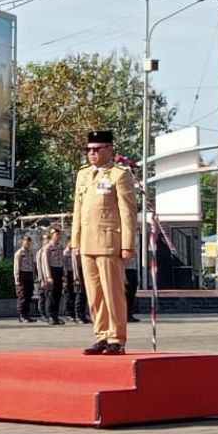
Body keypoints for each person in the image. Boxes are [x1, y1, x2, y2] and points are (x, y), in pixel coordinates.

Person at [72, 130, 137, 355]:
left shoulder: (119, 175)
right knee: (94, 293)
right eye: (89, 150)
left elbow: (127, 212)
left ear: (109, 149)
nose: (92, 153)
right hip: (87, 243)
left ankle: (116, 338)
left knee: (112, 292)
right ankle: (101, 335)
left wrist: (128, 244)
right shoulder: (83, 175)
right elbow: (78, 210)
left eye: (97, 149)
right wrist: (75, 241)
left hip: (109, 242)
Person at [40, 228, 66, 326]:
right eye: (56, 235)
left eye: (59, 235)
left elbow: (62, 261)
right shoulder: (47, 248)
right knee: (50, 295)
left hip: (59, 270)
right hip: (51, 271)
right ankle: (50, 315)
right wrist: (48, 276)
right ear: (51, 236)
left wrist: (64, 274)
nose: (58, 237)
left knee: (57, 294)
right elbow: (45, 263)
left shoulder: (60, 247)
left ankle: (55, 315)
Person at [12, 236, 38, 323]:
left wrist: (34, 274)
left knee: (28, 295)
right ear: (22, 242)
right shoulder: (19, 253)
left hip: (29, 274)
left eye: (29, 242)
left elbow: (33, 265)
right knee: (22, 296)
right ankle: (21, 314)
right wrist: (17, 278)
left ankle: (27, 314)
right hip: (22, 274)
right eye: (26, 241)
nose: (28, 243)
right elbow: (16, 267)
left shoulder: (30, 253)